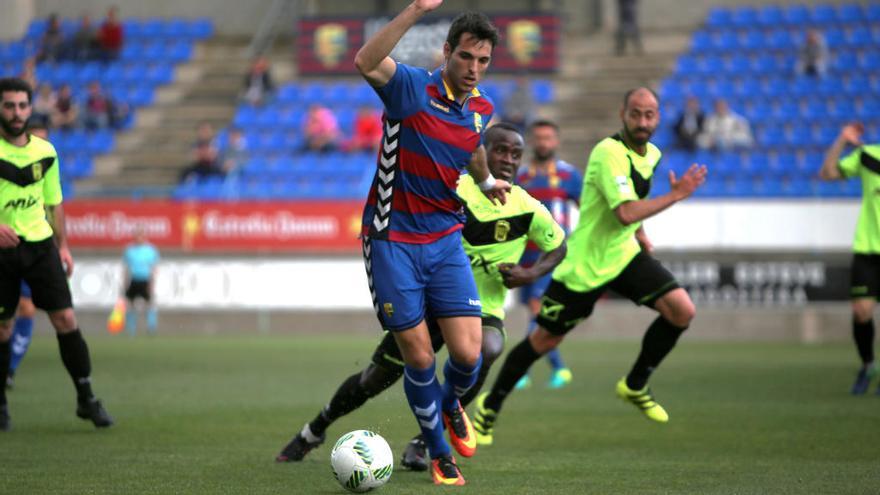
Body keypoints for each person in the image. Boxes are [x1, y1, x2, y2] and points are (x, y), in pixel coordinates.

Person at [276, 123, 566, 473]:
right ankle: (315, 430)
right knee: (373, 379)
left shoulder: (527, 207)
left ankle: (425, 440)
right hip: (428, 304)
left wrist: (531, 273)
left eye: (515, 154)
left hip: (480, 309)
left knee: (485, 349)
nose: (507, 159)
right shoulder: (453, 188)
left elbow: (559, 246)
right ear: (481, 153)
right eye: (499, 150)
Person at [473, 88, 707, 446]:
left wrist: (640, 234)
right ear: (622, 113)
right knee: (544, 339)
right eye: (636, 114)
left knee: (681, 310)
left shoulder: (654, 154)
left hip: (623, 254)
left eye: (650, 115)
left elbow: (631, 203)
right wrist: (675, 196)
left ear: (658, 117)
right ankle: (491, 405)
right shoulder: (607, 153)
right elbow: (624, 210)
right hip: (582, 265)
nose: (643, 122)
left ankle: (635, 384)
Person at [349, 1, 508, 485]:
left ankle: (450, 403)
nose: (473, 70)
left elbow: (473, 147)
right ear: (447, 52)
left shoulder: (482, 108)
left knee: (468, 356)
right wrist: (416, 8)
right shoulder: (411, 87)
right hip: (391, 238)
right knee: (419, 357)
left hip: (444, 238)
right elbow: (363, 61)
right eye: (466, 58)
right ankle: (439, 452)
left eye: (482, 61)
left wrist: (483, 184)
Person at [0, 77, 113, 431]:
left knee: (65, 320)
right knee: (3, 327)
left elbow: (54, 203)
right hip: (2, 252)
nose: (16, 113)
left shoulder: (45, 153)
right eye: (9, 105)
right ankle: (1, 404)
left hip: (40, 247)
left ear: (31, 108)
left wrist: (63, 245)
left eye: (22, 106)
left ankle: (86, 397)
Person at [512, 119, 582, 390]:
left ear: (556, 141)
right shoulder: (520, 176)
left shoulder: (569, 176)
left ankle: (521, 368)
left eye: (548, 138)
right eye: (538, 138)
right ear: (531, 141)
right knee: (537, 316)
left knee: (537, 311)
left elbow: (586, 210)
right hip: (523, 257)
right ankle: (558, 369)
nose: (543, 143)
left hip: (552, 256)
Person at [818, 122, 880, 394]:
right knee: (861, 311)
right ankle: (868, 365)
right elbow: (828, 173)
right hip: (868, 247)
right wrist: (842, 141)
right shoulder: (870, 155)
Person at [6, 123, 50, 390]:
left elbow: (53, 210)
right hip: (4, 244)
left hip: (32, 248)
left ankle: (10, 368)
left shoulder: (47, 168)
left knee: (27, 307)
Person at [122, 229, 160, 335]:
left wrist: (152, 283)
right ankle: (131, 330)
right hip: (133, 280)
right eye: (137, 235)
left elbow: (154, 268)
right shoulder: (129, 250)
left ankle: (151, 328)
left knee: (150, 304)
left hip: (145, 280)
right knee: (130, 304)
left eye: (141, 235)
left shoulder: (151, 250)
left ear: (144, 236)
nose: (139, 238)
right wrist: (125, 283)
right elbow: (126, 268)